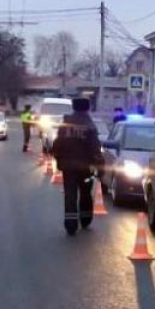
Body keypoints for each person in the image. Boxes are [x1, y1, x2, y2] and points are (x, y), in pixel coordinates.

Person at [51, 98, 105, 236]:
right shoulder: (90, 125)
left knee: (70, 194)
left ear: (74, 107)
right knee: (86, 192)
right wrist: (100, 165)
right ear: (87, 108)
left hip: (68, 167)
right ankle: (85, 218)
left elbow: (57, 144)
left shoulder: (66, 123)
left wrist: (58, 158)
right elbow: (95, 148)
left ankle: (70, 224)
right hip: (85, 168)